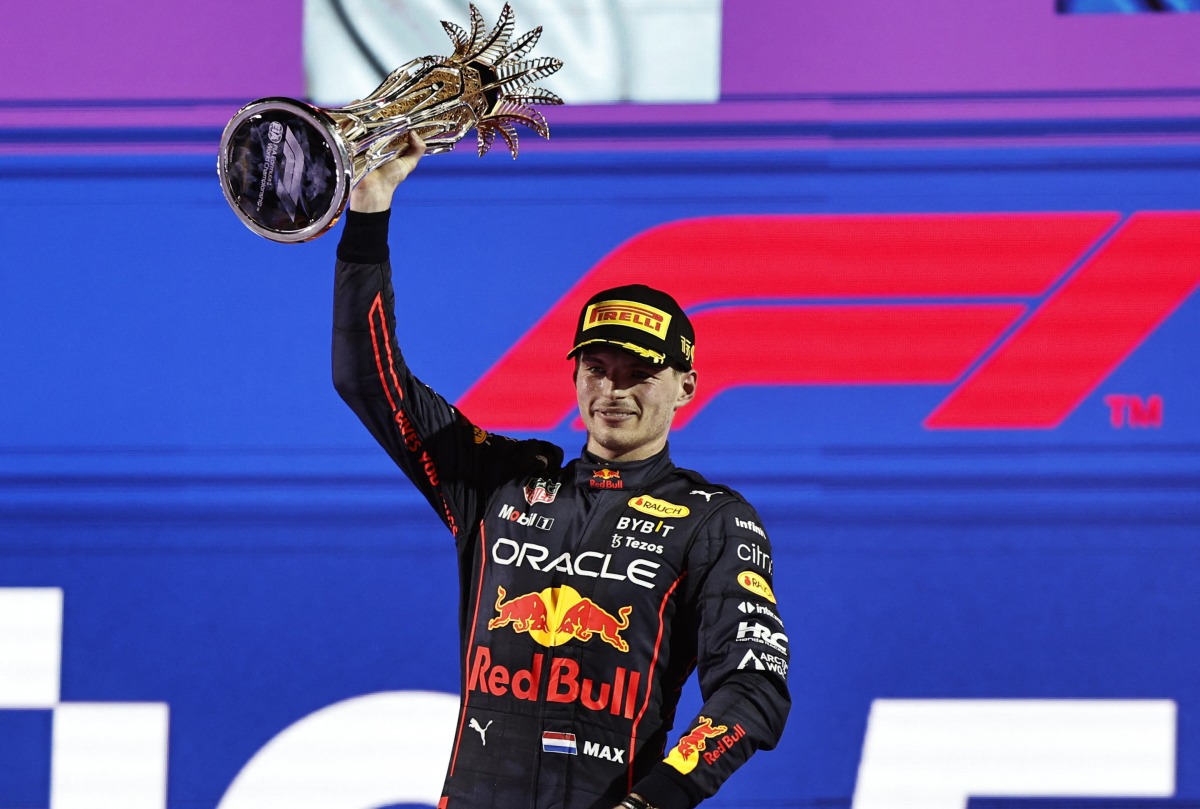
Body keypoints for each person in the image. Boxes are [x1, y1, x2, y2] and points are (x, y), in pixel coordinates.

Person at [331, 133, 789, 809]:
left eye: (639, 372)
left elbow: (753, 690)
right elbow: (367, 379)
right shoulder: (500, 481)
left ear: (686, 387)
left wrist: (655, 800)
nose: (613, 390)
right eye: (596, 368)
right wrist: (369, 209)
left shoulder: (714, 520)